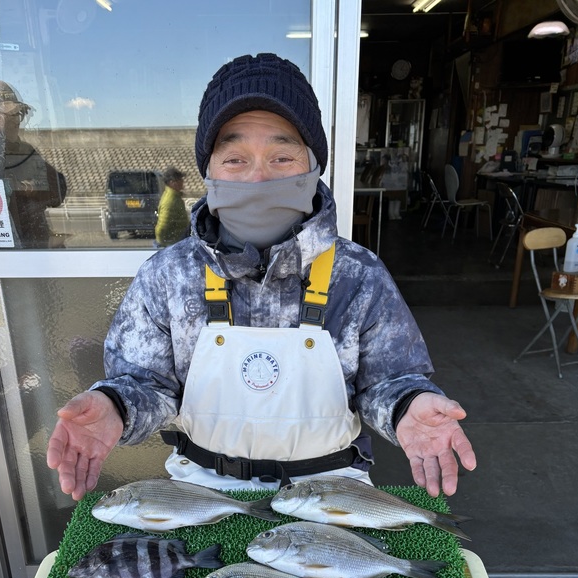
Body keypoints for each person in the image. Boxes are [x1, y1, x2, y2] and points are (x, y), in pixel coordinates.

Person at [48, 53, 476, 502]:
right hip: (202, 491)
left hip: (330, 490)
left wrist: (410, 405)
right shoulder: (168, 275)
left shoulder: (359, 275)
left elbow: (389, 380)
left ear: (313, 167)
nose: (257, 178)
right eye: (235, 159)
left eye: (282, 156)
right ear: (208, 171)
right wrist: (114, 405)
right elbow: (145, 383)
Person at [0, 80, 67, 247]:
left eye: (18, 113)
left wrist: (30, 189)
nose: (15, 121)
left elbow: (58, 190)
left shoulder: (25, 150)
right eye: (7, 114)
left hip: (34, 246)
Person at [154, 166, 189, 248]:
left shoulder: (174, 196)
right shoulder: (171, 200)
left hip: (175, 242)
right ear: (172, 182)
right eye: (180, 180)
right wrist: (162, 243)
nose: (182, 182)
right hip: (172, 244)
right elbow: (162, 227)